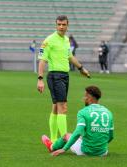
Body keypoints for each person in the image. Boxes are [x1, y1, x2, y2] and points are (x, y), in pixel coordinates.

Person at [37, 15, 90, 143]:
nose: (61, 27)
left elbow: (70, 56)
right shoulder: (49, 40)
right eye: (59, 24)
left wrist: (81, 68)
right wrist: (40, 79)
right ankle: (66, 140)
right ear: (56, 25)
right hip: (55, 76)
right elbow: (42, 60)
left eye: (63, 24)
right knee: (63, 107)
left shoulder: (66, 40)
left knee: (56, 107)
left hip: (65, 76)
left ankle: (54, 140)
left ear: (67, 25)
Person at [41, 85, 114, 156]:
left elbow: (78, 132)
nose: (83, 98)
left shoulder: (83, 112)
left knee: (67, 136)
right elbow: (110, 136)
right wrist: (98, 145)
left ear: (89, 97)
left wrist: (64, 149)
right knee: (83, 137)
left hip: (86, 151)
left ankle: (51, 147)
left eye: (85, 96)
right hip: (103, 152)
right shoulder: (108, 112)